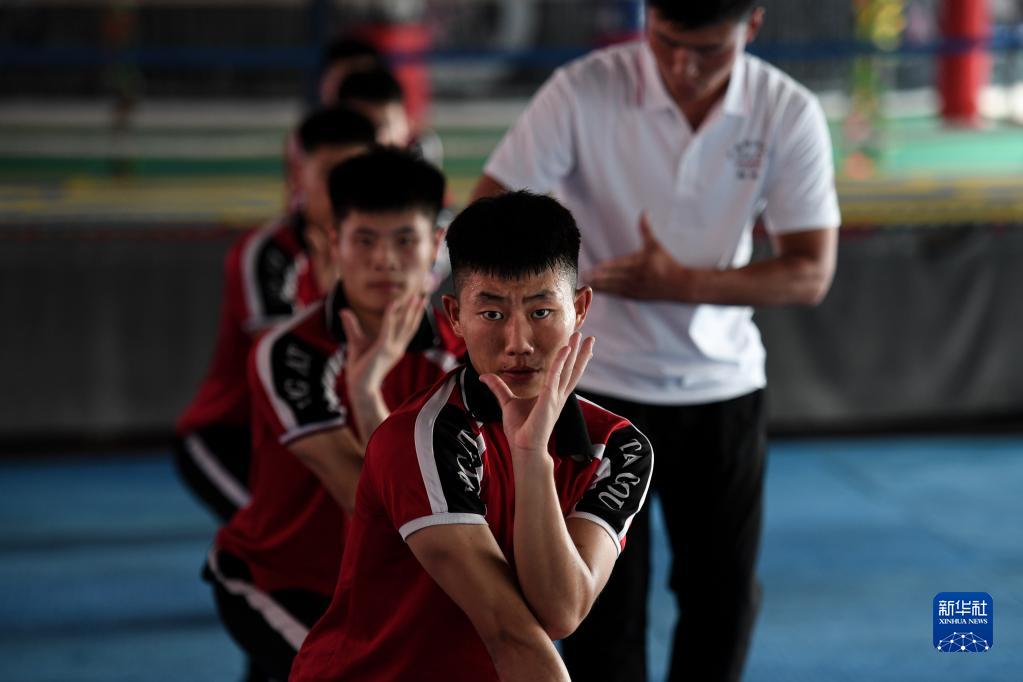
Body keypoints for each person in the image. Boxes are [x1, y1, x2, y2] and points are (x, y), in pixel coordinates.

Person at [472, 2, 841, 681]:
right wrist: (538, 307)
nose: (681, 65)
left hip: (722, 388)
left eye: (708, 50)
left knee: (721, 599)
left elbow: (810, 273)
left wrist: (677, 283)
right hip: (596, 385)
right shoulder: (584, 89)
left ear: (752, 25)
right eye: (666, 41)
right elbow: (486, 224)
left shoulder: (785, 110)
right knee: (597, 608)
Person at [290, 191, 655, 682]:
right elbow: (512, 634)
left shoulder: (619, 447)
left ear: (580, 307)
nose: (518, 343)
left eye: (541, 312)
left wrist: (531, 455)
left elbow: (561, 609)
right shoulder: (420, 437)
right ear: (455, 316)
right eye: (492, 314)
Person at [203, 147, 461, 682]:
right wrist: (366, 394)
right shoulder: (289, 353)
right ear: (330, 242)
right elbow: (376, 504)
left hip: (388, 591)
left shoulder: (461, 352)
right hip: (279, 581)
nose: (384, 260)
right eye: (364, 240)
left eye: (405, 240)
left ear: (436, 244)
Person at [174, 107, 376, 522]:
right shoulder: (267, 254)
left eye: (357, 174)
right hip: (232, 433)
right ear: (300, 175)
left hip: (308, 433)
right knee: (264, 539)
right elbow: (282, 366)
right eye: (330, 174)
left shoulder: (377, 258)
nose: (343, 189)